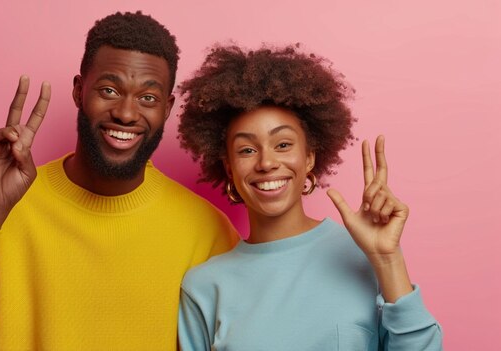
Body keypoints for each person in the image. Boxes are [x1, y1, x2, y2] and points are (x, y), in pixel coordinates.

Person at [0, 12, 237, 350]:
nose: (127, 113)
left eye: (148, 97)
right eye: (109, 90)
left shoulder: (206, 231)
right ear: (78, 91)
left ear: (167, 107)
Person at [176, 45, 443, 350]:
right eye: (247, 150)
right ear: (229, 168)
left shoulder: (363, 255)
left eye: (283, 144)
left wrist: (387, 259)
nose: (266, 162)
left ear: (309, 158)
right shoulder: (204, 288)